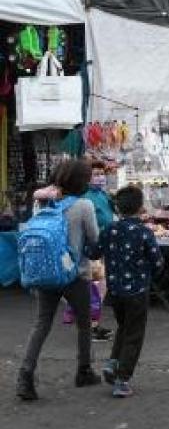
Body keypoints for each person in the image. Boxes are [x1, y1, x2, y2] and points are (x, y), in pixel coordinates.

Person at [16, 160, 101, 401]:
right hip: (75, 274)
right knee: (84, 323)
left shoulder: (42, 202)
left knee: (42, 324)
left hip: (45, 272)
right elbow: (94, 239)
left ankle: (25, 375)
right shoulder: (84, 205)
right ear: (81, 182)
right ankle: (84, 370)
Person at [91, 186, 163, 398]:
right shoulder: (143, 232)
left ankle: (113, 363)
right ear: (141, 207)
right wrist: (149, 273)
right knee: (134, 334)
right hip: (137, 292)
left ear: (117, 207)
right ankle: (122, 379)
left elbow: (93, 252)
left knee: (124, 327)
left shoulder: (109, 230)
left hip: (115, 292)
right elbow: (158, 262)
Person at [83, 160, 115, 342]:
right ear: (87, 178)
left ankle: (93, 324)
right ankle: (91, 327)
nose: (100, 177)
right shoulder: (86, 197)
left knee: (100, 287)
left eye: (102, 174)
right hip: (93, 247)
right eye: (95, 174)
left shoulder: (103, 195)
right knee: (96, 287)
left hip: (105, 245)